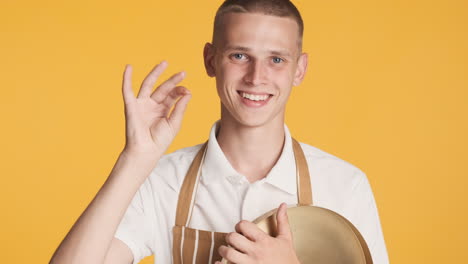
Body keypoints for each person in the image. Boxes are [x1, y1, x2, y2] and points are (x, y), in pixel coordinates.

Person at [50, 0, 389, 263]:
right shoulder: (161, 181)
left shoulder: (346, 185)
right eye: (240, 55)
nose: (256, 77)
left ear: (299, 69)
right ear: (210, 60)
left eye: (276, 60)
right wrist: (135, 159)